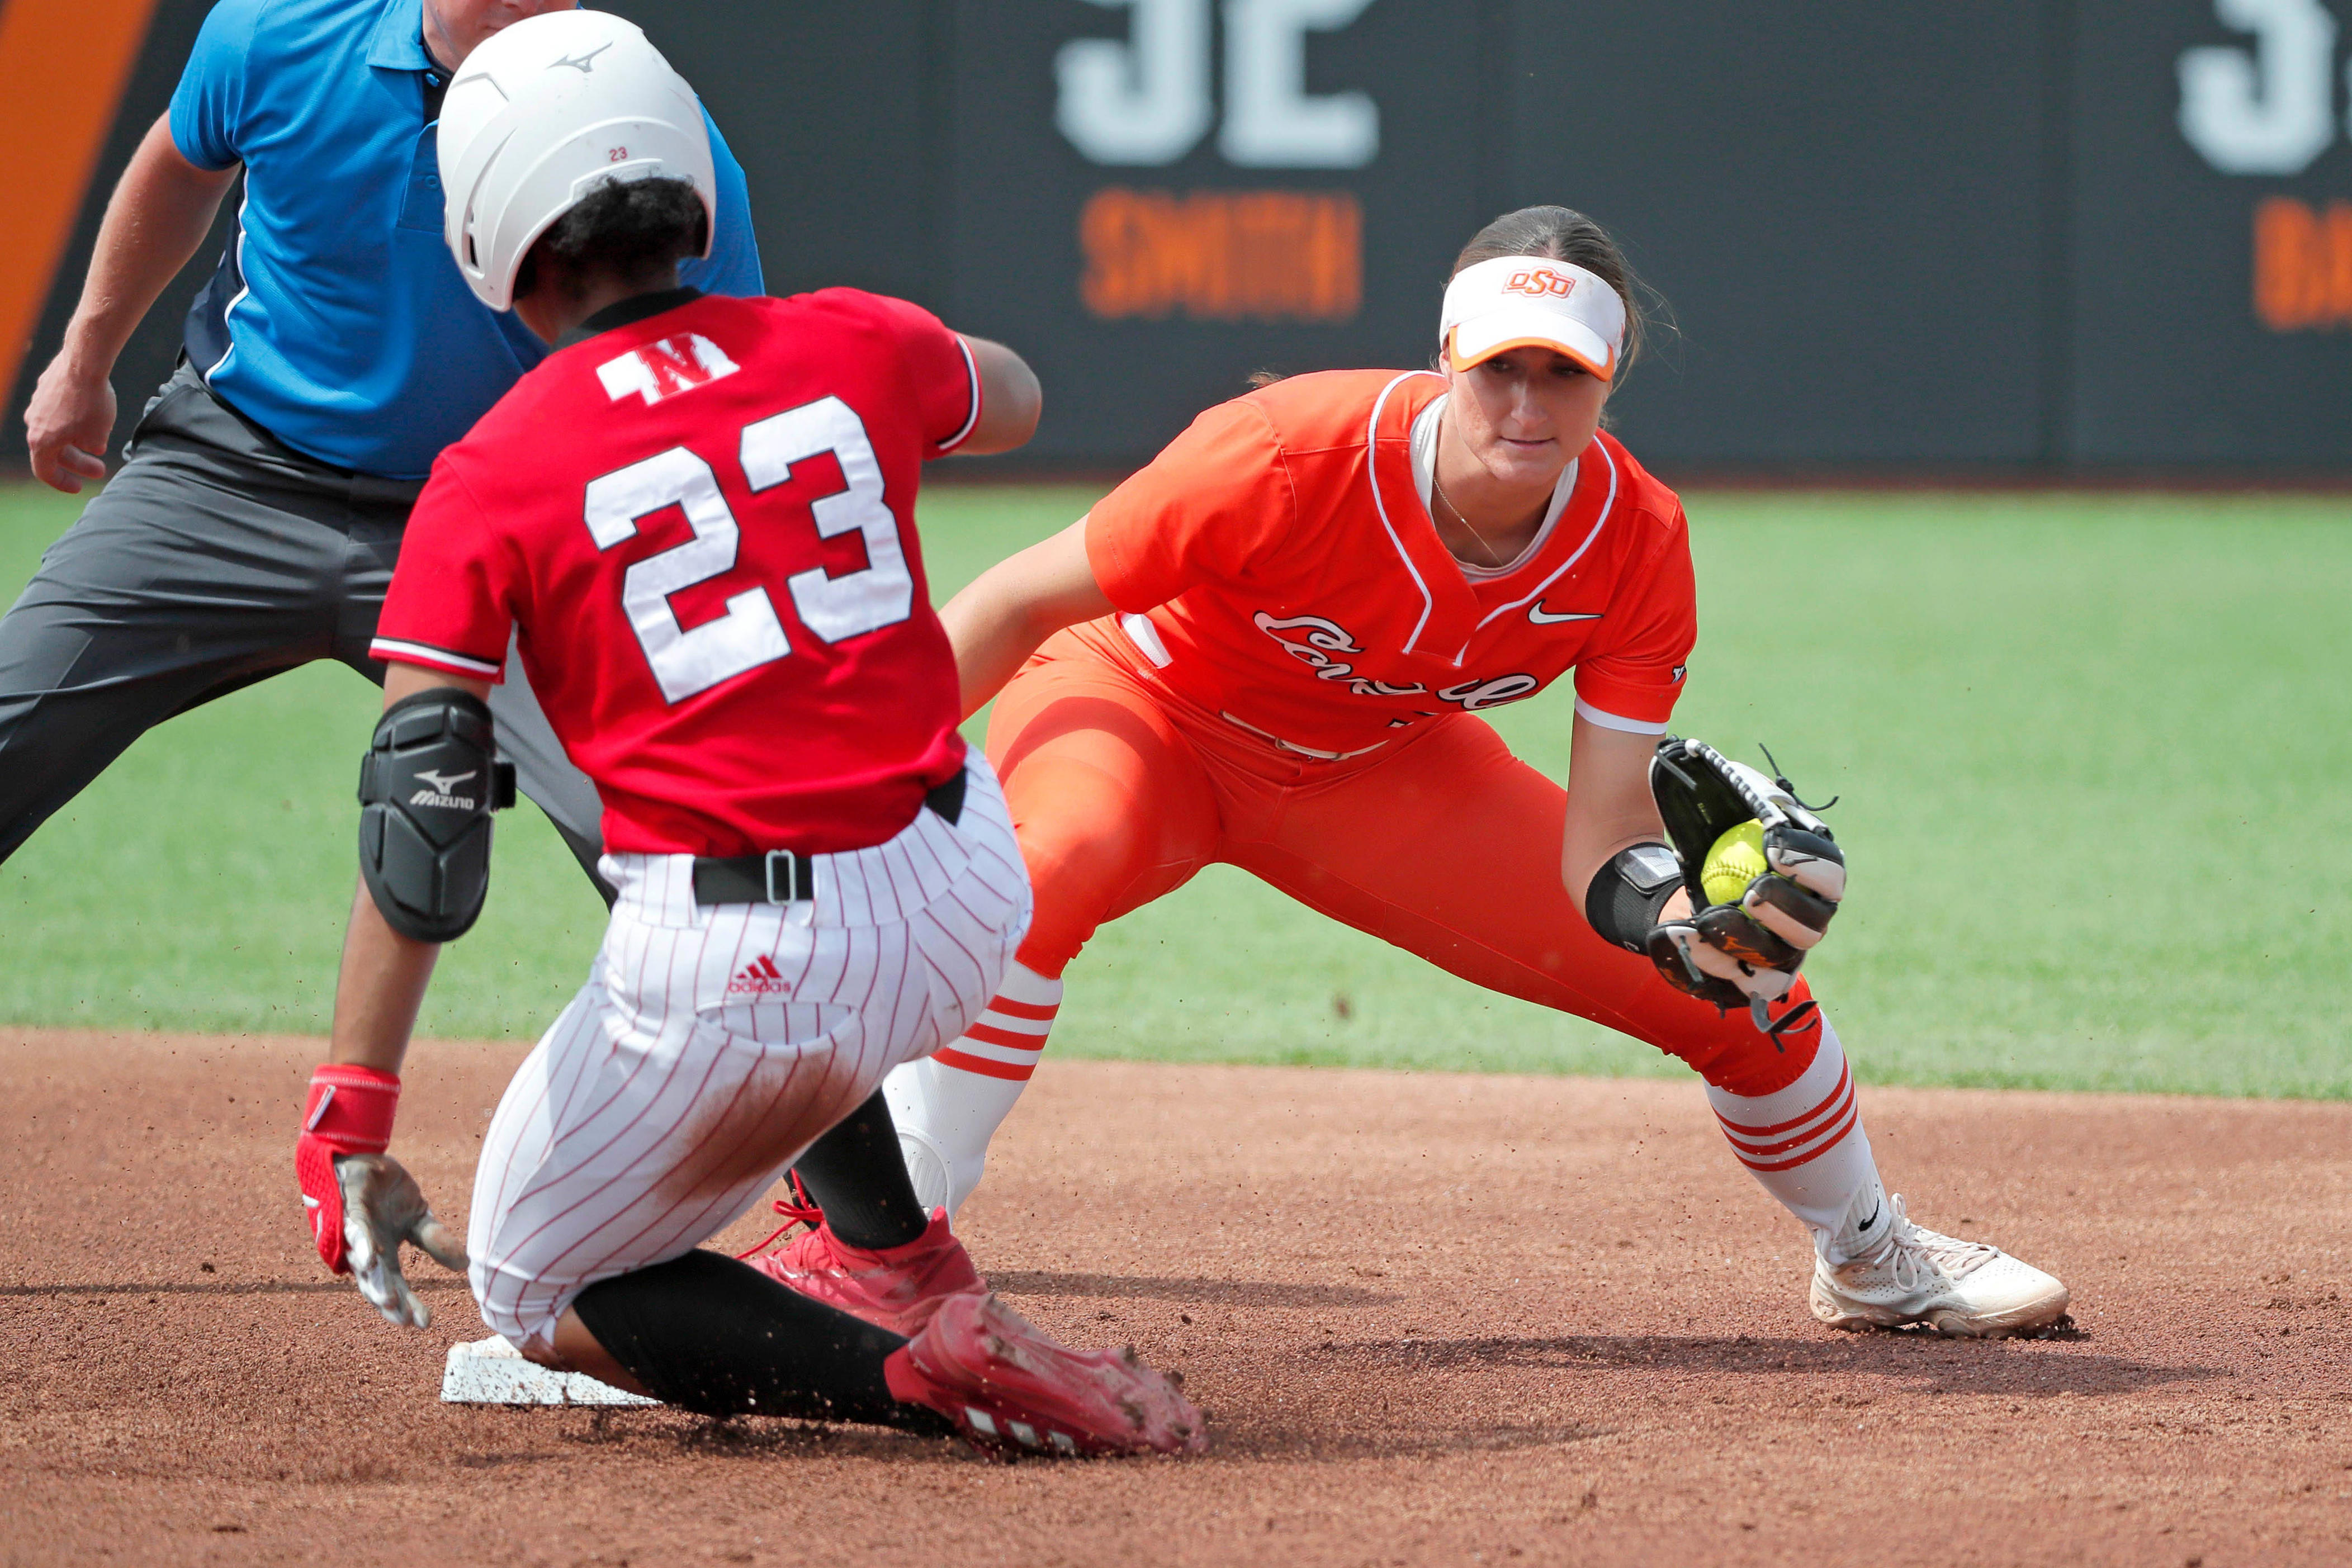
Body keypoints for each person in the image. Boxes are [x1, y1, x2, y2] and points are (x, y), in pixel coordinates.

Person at [843, 206, 2072, 1340]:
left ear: (1609, 380)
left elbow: (1601, 829)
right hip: (1141, 704)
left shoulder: (1635, 544)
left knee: (1730, 987)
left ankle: (1868, 1256)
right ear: (1447, 356)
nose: (1525, 402)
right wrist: (838, 774)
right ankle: (882, 1252)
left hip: (1372, 769)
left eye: (1563, 372)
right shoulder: (1284, 455)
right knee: (1035, 877)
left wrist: (1673, 914)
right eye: (1500, 366)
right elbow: (1010, 602)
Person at [295, 12, 1201, 1456]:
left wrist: (354, 1105)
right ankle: (909, 1262)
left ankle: (924, 1373)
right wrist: (866, 380)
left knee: (533, 1280)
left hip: (751, 965)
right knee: (813, 1008)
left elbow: (426, 822)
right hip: (967, 892)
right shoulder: (847, 335)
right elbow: (1014, 394)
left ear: (492, 237)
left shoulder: (489, 470)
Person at [5, 0, 761, 891]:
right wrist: (83, 358)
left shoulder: (648, 124)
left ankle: (782, 1024)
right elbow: (181, 164)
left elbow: (722, 376)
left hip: (496, 525)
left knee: (682, 833)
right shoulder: (279, 29)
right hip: (229, 477)